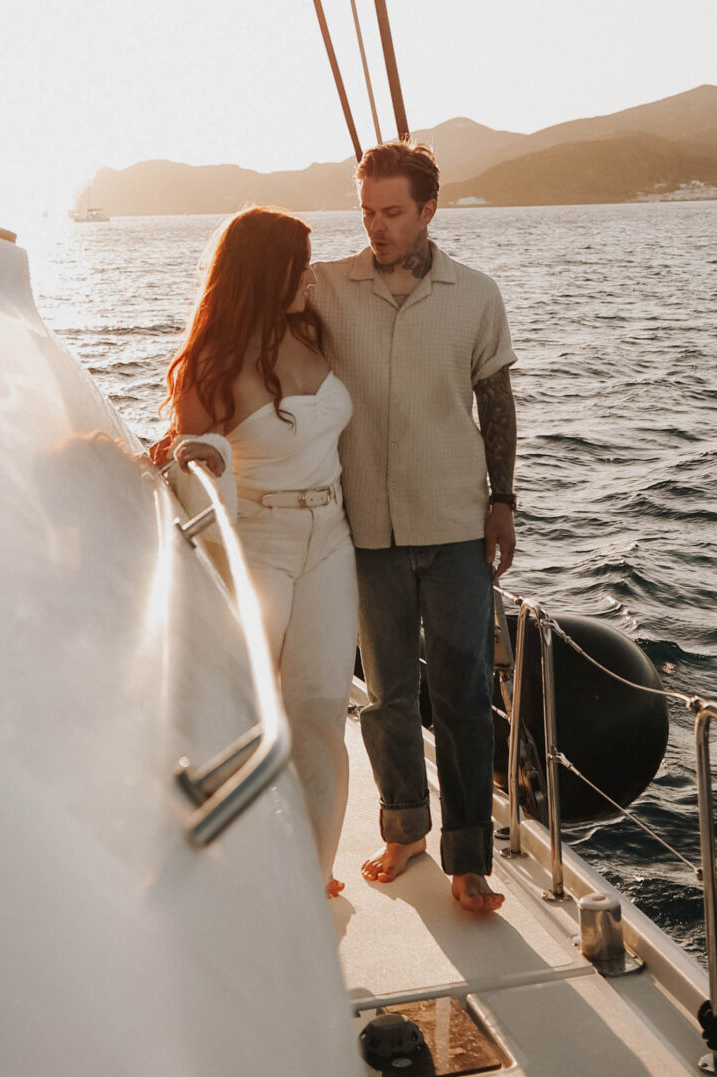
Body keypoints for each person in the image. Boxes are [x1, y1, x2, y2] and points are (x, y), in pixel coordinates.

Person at [314, 141, 519, 917]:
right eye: (367, 212)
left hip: (457, 521)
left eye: (392, 212)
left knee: (464, 690)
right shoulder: (325, 288)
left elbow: (496, 405)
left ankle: (470, 856)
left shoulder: (476, 295)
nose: (377, 227)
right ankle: (403, 830)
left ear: (429, 209)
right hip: (364, 525)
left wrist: (503, 501)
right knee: (387, 693)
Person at [153, 207, 357, 892]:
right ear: (265, 273)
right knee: (243, 704)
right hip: (258, 544)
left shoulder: (314, 331)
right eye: (297, 265)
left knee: (321, 707)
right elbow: (196, 461)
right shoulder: (210, 364)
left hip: (332, 538)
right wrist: (188, 457)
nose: (309, 275)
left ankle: (312, 870)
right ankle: (240, 867)